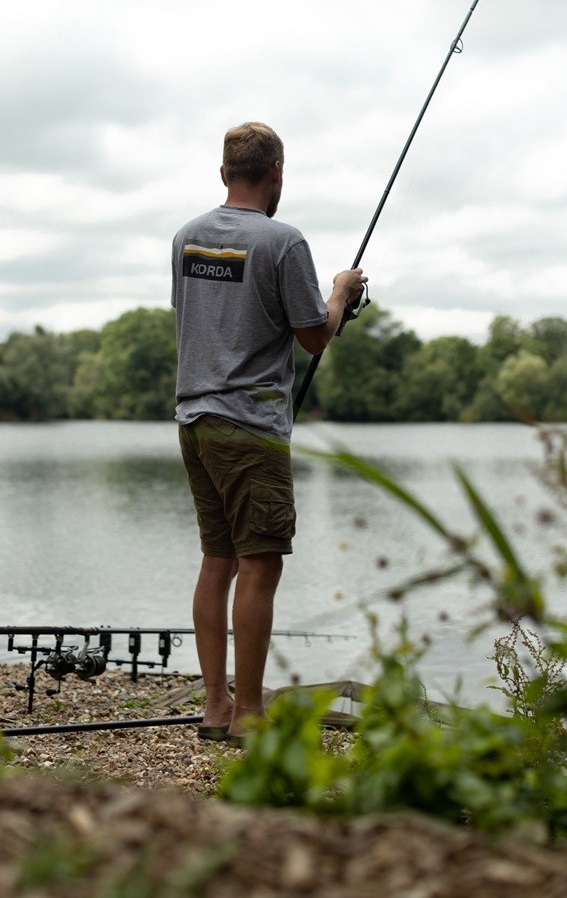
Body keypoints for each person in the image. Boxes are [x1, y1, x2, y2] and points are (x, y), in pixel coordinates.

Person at [171, 121, 366, 744]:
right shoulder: (283, 241)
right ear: (276, 172)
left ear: (224, 172)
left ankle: (216, 705)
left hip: (194, 421)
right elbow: (314, 336)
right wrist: (340, 293)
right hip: (250, 429)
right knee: (259, 564)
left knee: (217, 560)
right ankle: (250, 713)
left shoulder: (186, 238)